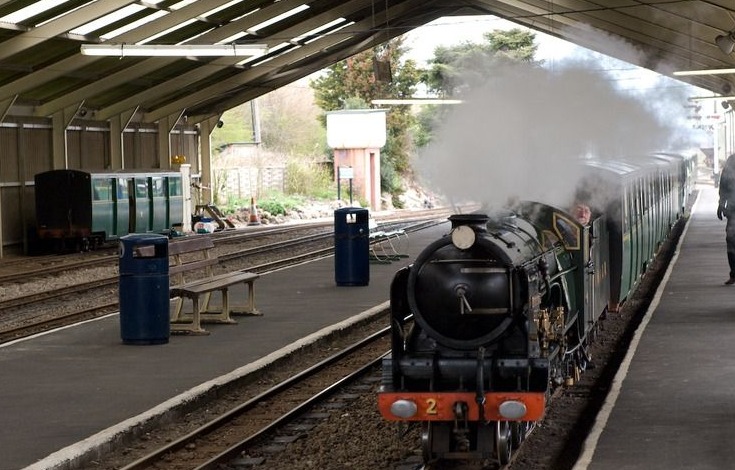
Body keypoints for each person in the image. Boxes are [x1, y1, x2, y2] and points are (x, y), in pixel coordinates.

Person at [717, 154, 735, 284]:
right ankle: (734, 273)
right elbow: (724, 184)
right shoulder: (732, 161)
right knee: (731, 240)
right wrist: (721, 203)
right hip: (733, 209)